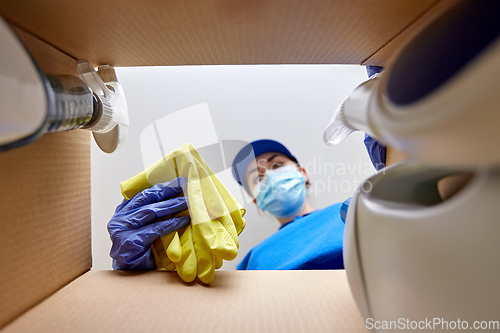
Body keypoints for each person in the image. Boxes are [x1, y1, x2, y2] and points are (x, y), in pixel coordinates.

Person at [231, 139, 347, 270]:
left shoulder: (349, 212)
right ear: (256, 200)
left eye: (277, 165)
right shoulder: (254, 259)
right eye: (258, 177)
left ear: (302, 173)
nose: (270, 176)